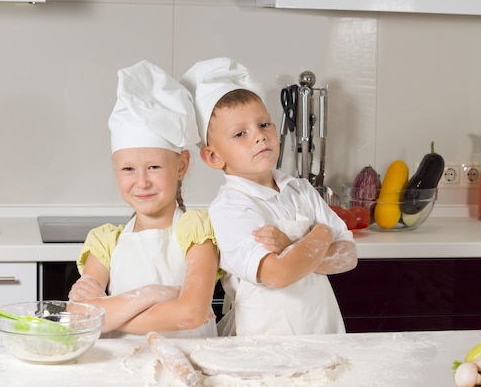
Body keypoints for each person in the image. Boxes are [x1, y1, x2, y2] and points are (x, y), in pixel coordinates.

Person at [180, 57, 358, 336]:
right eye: (240, 133)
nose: (259, 137)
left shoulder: (301, 190)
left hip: (325, 335)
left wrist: (291, 245)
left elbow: (348, 256)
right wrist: (321, 235)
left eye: (264, 125)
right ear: (213, 156)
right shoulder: (230, 208)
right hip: (266, 345)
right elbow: (278, 274)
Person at [68, 60, 219, 338]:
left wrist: (107, 317)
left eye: (154, 167)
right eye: (128, 169)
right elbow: (79, 317)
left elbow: (189, 314)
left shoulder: (195, 231)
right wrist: (153, 293)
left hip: (187, 368)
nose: (142, 182)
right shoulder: (105, 242)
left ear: (182, 166)